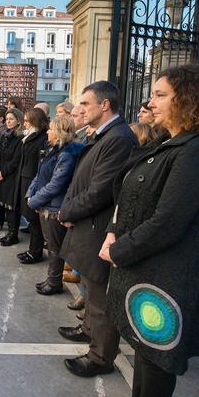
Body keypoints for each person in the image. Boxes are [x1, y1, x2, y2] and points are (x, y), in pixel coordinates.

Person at [96, 64, 199, 397]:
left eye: (160, 95)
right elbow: (128, 195)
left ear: (188, 99)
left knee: (158, 354)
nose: (151, 102)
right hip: (144, 266)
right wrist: (114, 232)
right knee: (144, 347)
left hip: (168, 273)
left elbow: (169, 221)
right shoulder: (169, 142)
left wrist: (119, 250)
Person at [56, 81, 138, 377]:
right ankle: (87, 328)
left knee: (101, 296)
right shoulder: (105, 136)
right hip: (87, 225)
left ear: (105, 105)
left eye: (86, 104)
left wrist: (67, 211)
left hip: (99, 227)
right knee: (91, 289)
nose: (80, 109)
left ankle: (100, 357)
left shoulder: (118, 138)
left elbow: (100, 190)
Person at [27, 115, 83, 294]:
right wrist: (31, 193)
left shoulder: (66, 154)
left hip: (53, 207)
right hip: (46, 205)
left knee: (54, 247)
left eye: (51, 129)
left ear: (59, 133)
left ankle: (54, 282)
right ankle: (51, 279)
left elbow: (56, 184)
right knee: (51, 245)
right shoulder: (53, 150)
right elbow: (40, 174)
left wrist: (35, 200)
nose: (48, 132)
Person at [14, 107, 49, 264]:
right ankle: (32, 249)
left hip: (33, 182)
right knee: (30, 219)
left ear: (35, 121)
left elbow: (41, 166)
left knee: (34, 220)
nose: (24, 124)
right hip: (24, 179)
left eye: (27, 121)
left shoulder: (42, 139)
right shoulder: (29, 136)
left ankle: (35, 252)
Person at [0, 108, 24, 246]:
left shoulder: (20, 137)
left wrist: (3, 172)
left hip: (11, 176)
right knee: (2, 204)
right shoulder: (4, 134)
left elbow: (16, 160)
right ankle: (7, 230)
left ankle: (13, 234)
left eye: (11, 119)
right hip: (0, 173)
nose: (9, 121)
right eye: (7, 119)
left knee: (11, 207)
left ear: (18, 120)